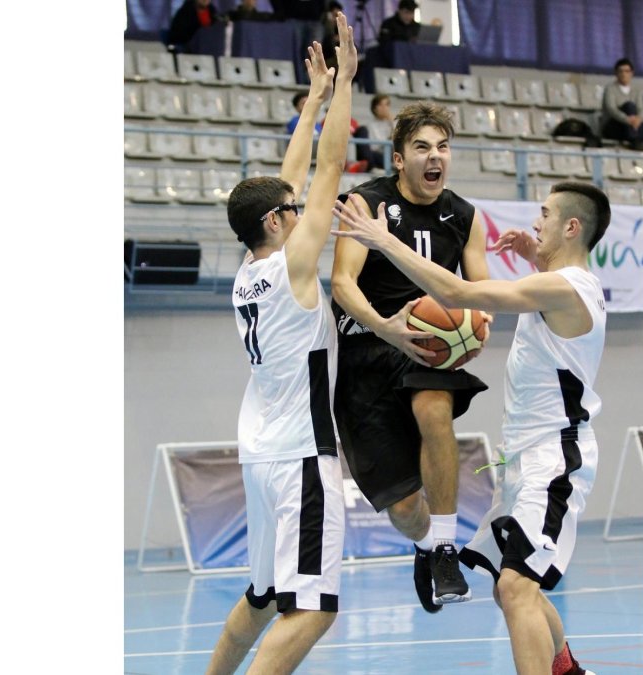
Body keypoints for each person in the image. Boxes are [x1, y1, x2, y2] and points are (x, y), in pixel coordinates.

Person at [331, 180, 610, 675]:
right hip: (525, 456)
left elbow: (455, 290)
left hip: (555, 458)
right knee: (512, 586)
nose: (535, 223)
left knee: (515, 587)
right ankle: (565, 667)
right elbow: (547, 287)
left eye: (544, 215)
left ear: (571, 227)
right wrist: (537, 257)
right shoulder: (559, 282)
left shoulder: (567, 288)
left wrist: (383, 240)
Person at [204, 19, 358, 675]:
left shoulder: (250, 270)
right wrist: (345, 83)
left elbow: (292, 177)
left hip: (260, 452)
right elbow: (326, 167)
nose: (301, 213)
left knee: (265, 595)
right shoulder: (294, 265)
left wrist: (313, 98)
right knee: (314, 607)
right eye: (290, 212)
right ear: (275, 223)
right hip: (300, 458)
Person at [329, 101, 491, 614]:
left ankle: (445, 547)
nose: (434, 155)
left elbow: (482, 288)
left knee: (433, 407)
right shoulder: (364, 202)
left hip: (427, 348)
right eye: (421, 147)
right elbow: (341, 284)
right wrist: (384, 327)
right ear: (399, 159)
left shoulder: (464, 217)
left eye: (442, 147)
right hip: (366, 352)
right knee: (401, 508)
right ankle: (423, 543)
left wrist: (479, 318)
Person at [600, 57, 643, 150]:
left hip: (632, 126)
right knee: (629, 106)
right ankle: (635, 140)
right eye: (620, 71)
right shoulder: (610, 89)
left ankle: (636, 138)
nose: (623, 74)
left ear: (631, 73)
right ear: (616, 73)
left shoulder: (636, 90)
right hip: (615, 125)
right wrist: (628, 120)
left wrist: (638, 120)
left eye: (627, 71)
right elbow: (611, 109)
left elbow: (641, 109)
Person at [354, 94, 393, 170]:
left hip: (391, 156)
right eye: (380, 105)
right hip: (376, 154)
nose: (384, 108)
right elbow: (373, 147)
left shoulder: (394, 124)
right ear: (374, 108)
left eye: (386, 105)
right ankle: (371, 166)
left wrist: (392, 125)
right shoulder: (370, 126)